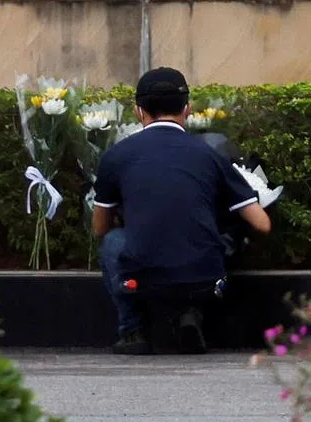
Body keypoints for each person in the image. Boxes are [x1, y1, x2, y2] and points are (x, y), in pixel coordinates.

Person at [93, 67, 272, 355]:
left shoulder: (117, 156)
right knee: (224, 230)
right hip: (207, 282)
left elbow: (100, 228)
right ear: (187, 109)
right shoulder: (210, 155)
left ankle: (132, 331)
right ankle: (192, 313)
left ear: (138, 111)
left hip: (140, 281)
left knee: (113, 241)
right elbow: (262, 224)